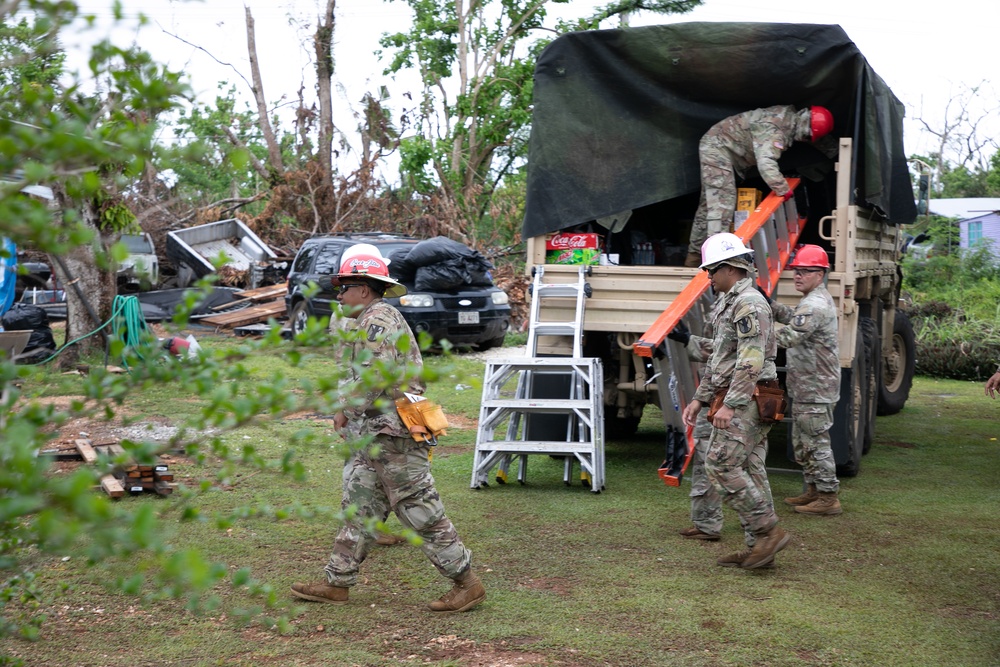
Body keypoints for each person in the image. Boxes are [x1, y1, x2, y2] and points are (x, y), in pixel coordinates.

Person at [291, 247, 486, 612]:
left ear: (364, 289)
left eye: (344, 288)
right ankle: (337, 581)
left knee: (419, 509)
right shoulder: (369, 318)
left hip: (394, 435)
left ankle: (467, 583)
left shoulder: (378, 319)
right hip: (378, 432)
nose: (340, 295)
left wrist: (345, 411)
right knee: (360, 507)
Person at [679, 232, 790, 569]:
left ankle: (767, 531)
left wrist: (730, 404)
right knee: (751, 470)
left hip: (749, 397)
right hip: (741, 394)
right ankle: (760, 549)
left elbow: (749, 361)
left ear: (729, 268)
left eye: (711, 270)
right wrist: (700, 399)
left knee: (720, 463)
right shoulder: (732, 302)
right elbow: (722, 358)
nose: (708, 278)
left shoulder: (749, 304)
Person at [684, 105, 835, 267]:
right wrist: (784, 189)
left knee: (708, 206)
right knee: (722, 203)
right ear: (805, 127)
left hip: (718, 144)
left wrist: (836, 152)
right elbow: (766, 163)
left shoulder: (791, 119)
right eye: (807, 136)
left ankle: (693, 257)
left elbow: (818, 138)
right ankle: (716, 261)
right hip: (717, 147)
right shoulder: (775, 129)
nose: (805, 139)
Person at [771, 244, 843, 515]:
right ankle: (814, 491)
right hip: (808, 387)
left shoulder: (814, 304)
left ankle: (828, 497)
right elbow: (795, 320)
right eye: (796, 271)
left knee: (816, 441)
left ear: (820, 273)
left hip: (816, 388)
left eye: (805, 271)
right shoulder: (812, 300)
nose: (797, 276)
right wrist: (772, 307)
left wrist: (753, 336)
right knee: (805, 442)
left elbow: (789, 336)